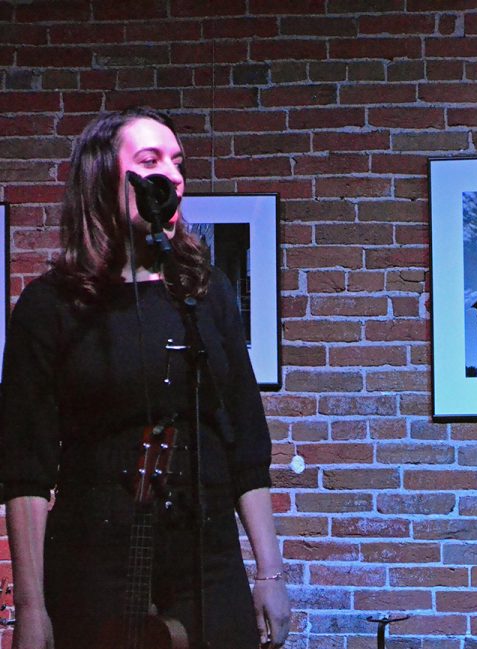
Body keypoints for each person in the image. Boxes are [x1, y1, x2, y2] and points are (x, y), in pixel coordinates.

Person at [0, 107, 291, 649]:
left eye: (178, 162)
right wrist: (32, 610)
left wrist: (269, 574)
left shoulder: (206, 294)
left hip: (207, 562)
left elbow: (246, 441)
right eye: (151, 160)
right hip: (95, 563)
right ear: (104, 178)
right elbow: (26, 470)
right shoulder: (51, 306)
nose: (173, 175)